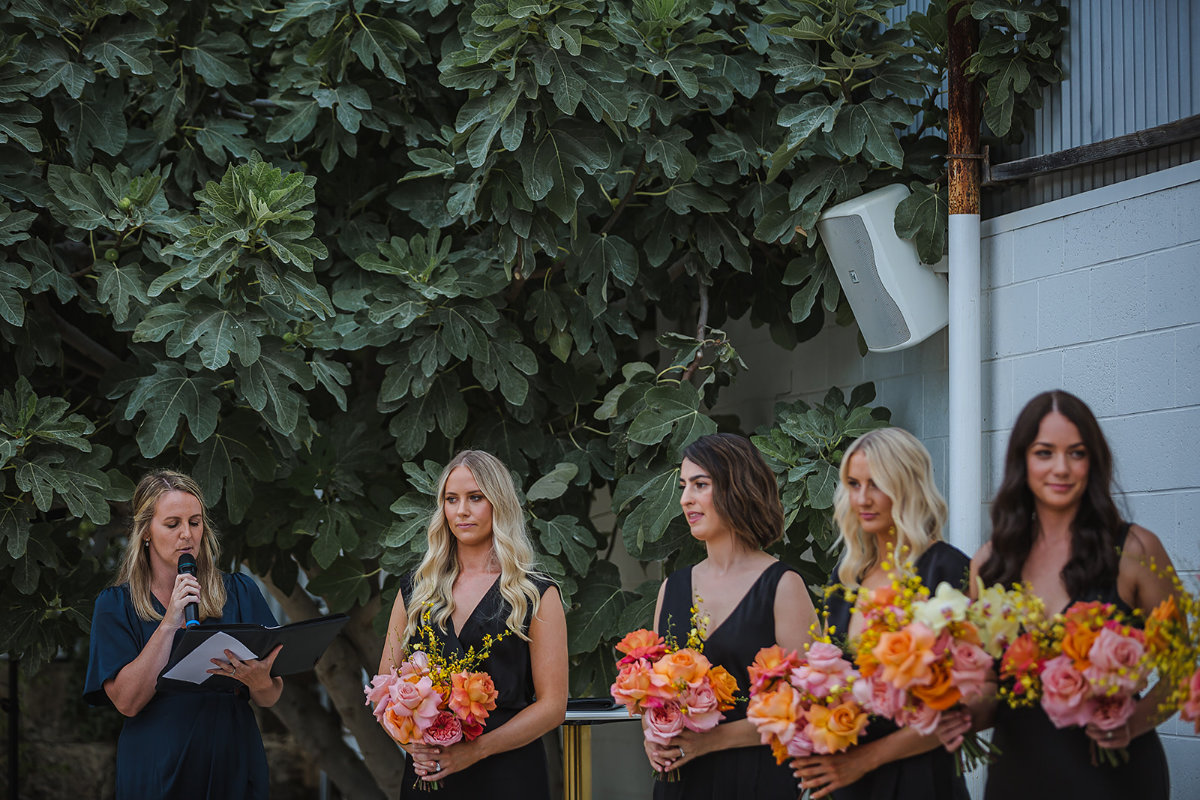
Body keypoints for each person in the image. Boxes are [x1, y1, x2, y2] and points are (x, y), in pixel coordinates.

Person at [938, 390, 1175, 799]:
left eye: (1077, 453)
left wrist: (1131, 724)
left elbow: (1180, 671)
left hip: (1114, 779)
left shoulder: (1134, 550)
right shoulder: (990, 563)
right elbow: (989, 686)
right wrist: (957, 713)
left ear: (1093, 462)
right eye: (1045, 453)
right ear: (1022, 462)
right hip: (1019, 775)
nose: (1061, 468)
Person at [791, 427, 970, 800]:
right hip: (848, 783)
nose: (862, 498)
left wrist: (866, 760)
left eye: (876, 484)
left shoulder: (947, 571)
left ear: (908, 485)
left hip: (921, 779)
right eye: (854, 484)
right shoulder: (845, 585)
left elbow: (962, 704)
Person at [379, 450, 568, 798]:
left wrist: (476, 750)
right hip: (430, 774)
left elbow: (553, 707)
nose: (462, 510)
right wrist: (413, 746)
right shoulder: (416, 589)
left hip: (509, 775)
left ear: (499, 505)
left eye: (475, 498)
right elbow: (385, 691)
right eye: (452, 499)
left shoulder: (536, 593)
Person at [84, 470, 284, 800]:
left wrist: (260, 680)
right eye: (173, 523)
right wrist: (170, 622)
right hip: (157, 762)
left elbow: (271, 695)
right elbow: (127, 703)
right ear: (146, 531)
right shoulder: (115, 605)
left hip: (232, 756)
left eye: (195, 522)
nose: (187, 534)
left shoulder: (240, 591)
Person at [646, 432, 818, 799]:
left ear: (736, 488)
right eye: (683, 486)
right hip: (681, 782)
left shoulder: (783, 585)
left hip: (755, 780)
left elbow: (806, 707)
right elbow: (657, 695)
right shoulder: (672, 588)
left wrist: (712, 741)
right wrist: (654, 735)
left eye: (700, 484)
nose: (685, 499)